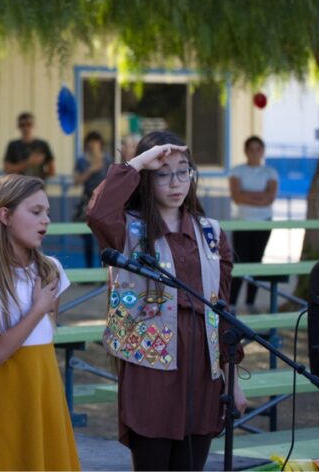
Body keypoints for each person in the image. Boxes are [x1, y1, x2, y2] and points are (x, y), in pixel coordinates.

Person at [87, 131, 244, 471]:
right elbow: (98, 212)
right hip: (151, 368)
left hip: (203, 367)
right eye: (162, 173)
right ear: (146, 179)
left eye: (183, 171)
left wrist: (231, 378)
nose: (175, 182)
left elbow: (223, 310)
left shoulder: (211, 233)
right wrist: (141, 161)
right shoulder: (127, 229)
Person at [0, 174, 81, 471]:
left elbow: (48, 332)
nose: (45, 220)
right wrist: (38, 308)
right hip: (3, 391)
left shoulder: (50, 270)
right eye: (35, 212)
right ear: (4, 215)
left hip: (42, 382)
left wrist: (43, 309)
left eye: (47, 212)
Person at [228, 136, 280, 312]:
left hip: (263, 222)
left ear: (263, 151)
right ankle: (232, 302)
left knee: (257, 260)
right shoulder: (237, 171)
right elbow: (236, 196)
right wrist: (259, 195)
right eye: (251, 148)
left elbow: (269, 198)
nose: (255, 152)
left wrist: (246, 194)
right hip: (242, 222)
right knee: (240, 261)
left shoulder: (270, 172)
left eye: (258, 149)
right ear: (246, 151)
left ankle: (251, 301)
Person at [73, 131, 113, 268]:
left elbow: (113, 181)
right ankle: (89, 271)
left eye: (96, 142)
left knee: (104, 237)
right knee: (88, 237)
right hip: (87, 200)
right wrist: (91, 169)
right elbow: (76, 181)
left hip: (104, 200)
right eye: (90, 142)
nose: (93, 145)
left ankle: (105, 271)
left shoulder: (108, 160)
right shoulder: (82, 161)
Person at [3, 112, 55, 180]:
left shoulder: (43, 145)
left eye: (28, 124)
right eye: (22, 125)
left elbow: (52, 171)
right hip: (18, 188)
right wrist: (29, 162)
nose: (25, 128)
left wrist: (40, 176)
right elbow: (7, 170)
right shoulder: (13, 145)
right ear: (18, 126)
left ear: (34, 125)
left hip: (37, 186)